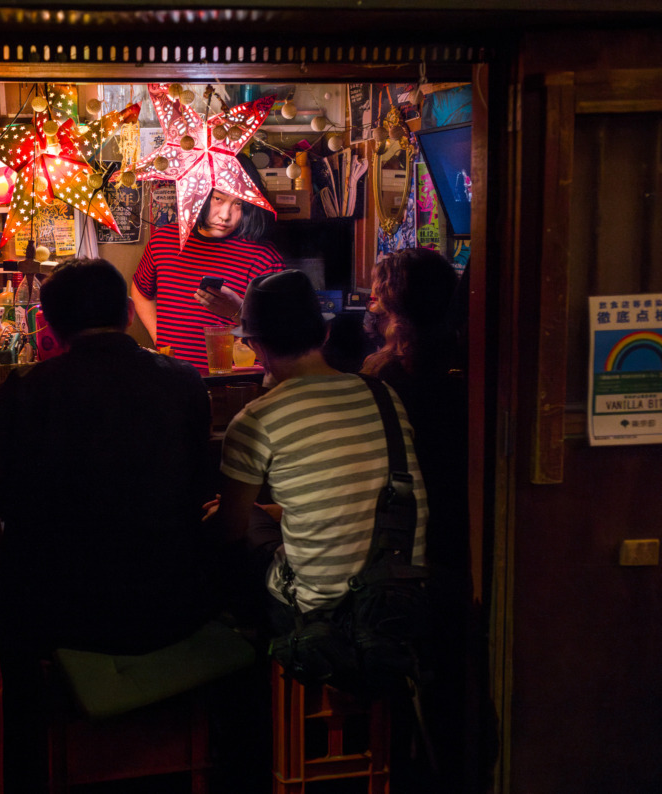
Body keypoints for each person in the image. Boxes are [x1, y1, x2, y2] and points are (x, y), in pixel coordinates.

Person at [0, 258, 216, 791]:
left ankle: (23, 770)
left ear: (50, 324)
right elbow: (198, 491)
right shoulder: (184, 384)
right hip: (173, 609)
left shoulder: (18, 395)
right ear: (130, 311)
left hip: (57, 621)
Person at [211, 269, 428, 637]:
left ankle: (244, 655)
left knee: (233, 525)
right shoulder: (382, 393)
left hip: (322, 614)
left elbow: (227, 532)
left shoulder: (255, 420)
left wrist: (232, 515)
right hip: (403, 592)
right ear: (324, 333)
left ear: (255, 345)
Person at [361, 247, 469, 792]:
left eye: (379, 292)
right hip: (460, 537)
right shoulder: (461, 360)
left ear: (394, 305)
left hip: (407, 547)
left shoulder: (387, 380)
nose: (371, 302)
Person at [130, 155, 284, 365]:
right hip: (175, 380)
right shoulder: (163, 241)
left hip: (234, 384)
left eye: (238, 203)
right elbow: (141, 291)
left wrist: (238, 311)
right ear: (198, 193)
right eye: (218, 198)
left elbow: (282, 337)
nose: (225, 215)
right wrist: (160, 339)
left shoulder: (263, 258)